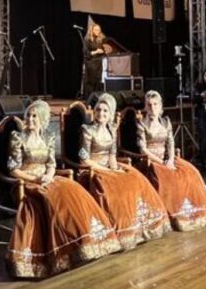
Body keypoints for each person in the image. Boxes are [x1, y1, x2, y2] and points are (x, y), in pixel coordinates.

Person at [7, 99, 121, 278]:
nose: (30, 119)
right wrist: (36, 179)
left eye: (34, 116)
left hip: (47, 178)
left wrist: (48, 175)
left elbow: (51, 164)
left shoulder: (48, 137)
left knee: (73, 191)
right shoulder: (18, 138)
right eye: (28, 115)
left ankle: (80, 242)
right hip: (27, 182)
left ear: (42, 119)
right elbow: (13, 169)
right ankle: (60, 250)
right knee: (54, 198)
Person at [79, 93, 170, 248]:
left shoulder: (112, 129)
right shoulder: (87, 130)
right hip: (92, 170)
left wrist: (115, 169)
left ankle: (137, 228)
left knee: (133, 179)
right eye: (98, 110)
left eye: (105, 111)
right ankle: (117, 231)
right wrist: (108, 171)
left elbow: (112, 155)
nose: (101, 113)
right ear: (94, 111)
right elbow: (84, 159)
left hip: (109, 168)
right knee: (114, 187)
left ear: (110, 114)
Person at [137, 91, 206, 231]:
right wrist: (161, 162)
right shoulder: (142, 124)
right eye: (149, 105)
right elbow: (143, 149)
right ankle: (172, 215)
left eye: (155, 104)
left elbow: (171, 142)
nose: (152, 108)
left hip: (166, 159)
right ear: (145, 106)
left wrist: (170, 159)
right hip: (150, 162)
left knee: (191, 173)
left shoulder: (165, 121)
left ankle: (190, 211)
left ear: (160, 106)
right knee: (168, 178)